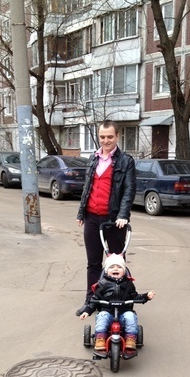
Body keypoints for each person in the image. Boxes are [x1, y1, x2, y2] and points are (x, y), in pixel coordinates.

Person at [76, 120, 136, 316]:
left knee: (117, 263)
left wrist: (123, 214)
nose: (106, 140)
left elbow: (129, 190)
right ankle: (91, 301)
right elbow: (88, 188)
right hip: (92, 217)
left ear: (117, 136)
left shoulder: (126, 161)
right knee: (93, 263)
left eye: (110, 136)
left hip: (114, 220)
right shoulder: (93, 159)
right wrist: (81, 212)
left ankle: (120, 300)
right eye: (102, 137)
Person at [79, 254, 155, 352]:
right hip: (108, 313)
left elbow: (135, 296)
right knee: (102, 316)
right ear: (106, 271)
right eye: (111, 267)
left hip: (124, 313)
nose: (115, 269)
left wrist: (146, 296)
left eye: (119, 267)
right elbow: (95, 298)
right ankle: (100, 338)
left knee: (130, 316)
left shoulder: (128, 284)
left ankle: (131, 338)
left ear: (124, 271)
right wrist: (87, 311)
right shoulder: (102, 284)